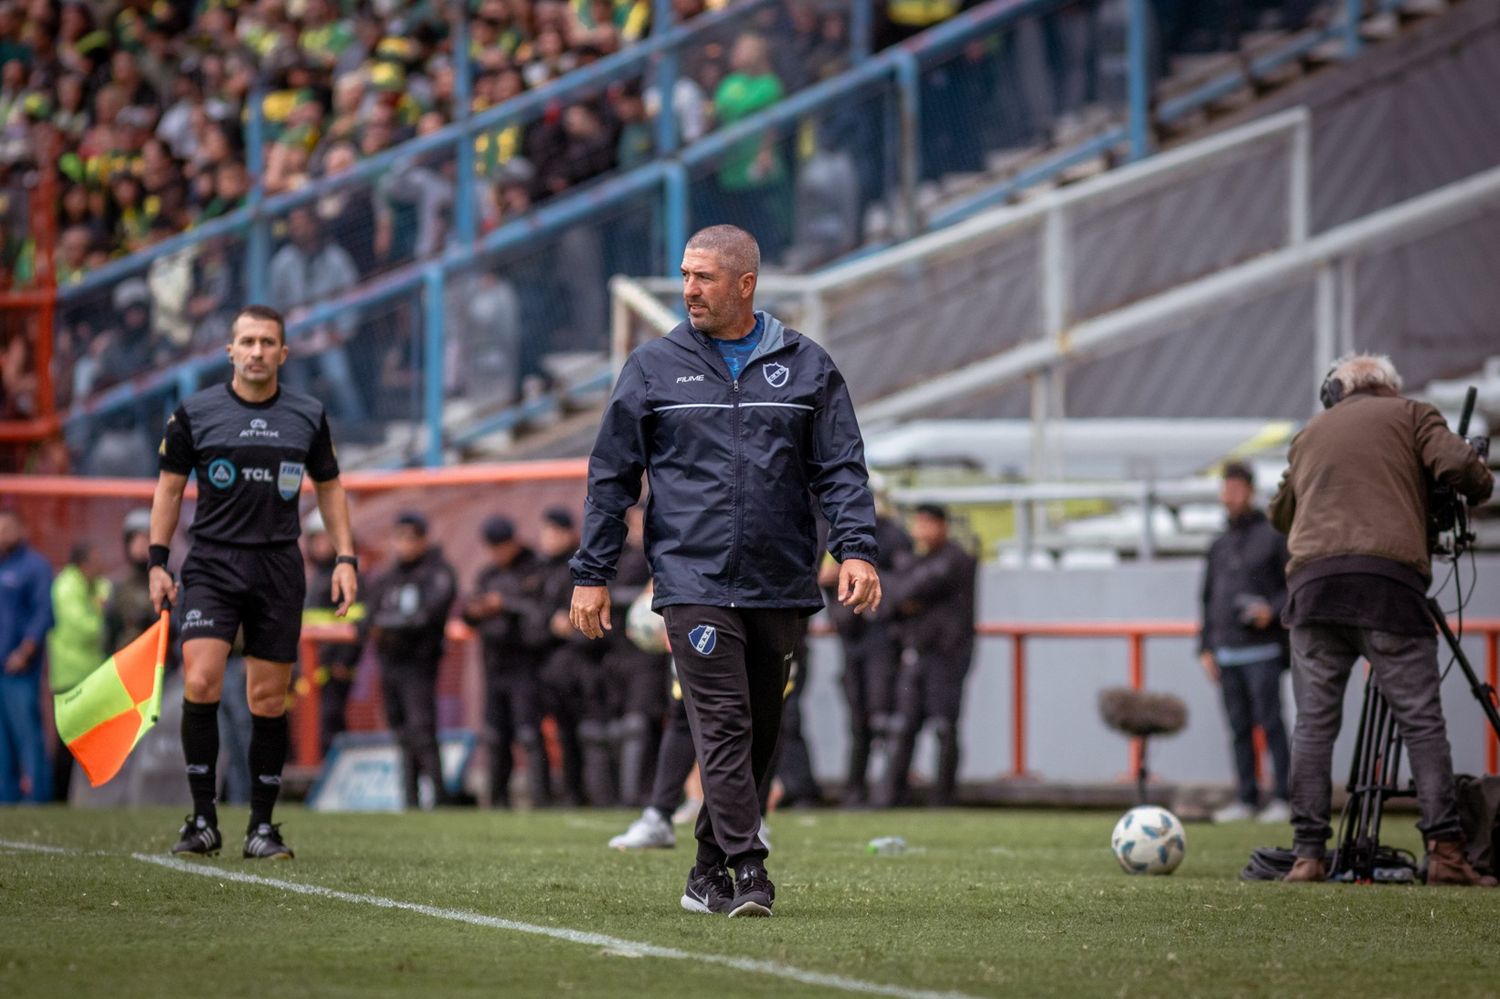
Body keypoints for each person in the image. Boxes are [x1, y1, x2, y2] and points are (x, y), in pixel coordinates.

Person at [570, 224, 881, 917]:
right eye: (684, 275)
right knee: (723, 720)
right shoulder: (652, 366)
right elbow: (610, 476)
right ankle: (748, 867)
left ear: (745, 284)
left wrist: (857, 547)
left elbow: (841, 469)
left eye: (703, 277)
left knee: (763, 729)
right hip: (691, 580)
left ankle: (705, 869)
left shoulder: (808, 366)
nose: (688, 290)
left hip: (781, 580)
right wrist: (591, 571)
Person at [1269, 354, 1494, 886]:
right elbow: (1463, 472)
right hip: (1387, 585)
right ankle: (1445, 853)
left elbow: (1281, 514)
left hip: (1313, 589)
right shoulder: (1414, 414)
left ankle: (1307, 855)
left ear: (1337, 392)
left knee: (1313, 727)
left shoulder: (1310, 433)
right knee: (1421, 722)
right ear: (1389, 388)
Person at [150, 304, 359, 859]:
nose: (258, 351)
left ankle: (262, 828)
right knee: (200, 681)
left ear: (283, 353)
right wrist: (156, 561)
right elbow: (169, 490)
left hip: (277, 567)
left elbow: (331, 487)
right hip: (213, 564)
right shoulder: (195, 413)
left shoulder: (308, 415)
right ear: (231, 351)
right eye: (248, 341)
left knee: (267, 697)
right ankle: (202, 820)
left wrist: (345, 558)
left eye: (268, 342)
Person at [1199, 460, 1292, 824]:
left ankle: (1283, 797)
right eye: (1226, 488)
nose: (1230, 496)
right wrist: (1205, 647)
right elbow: (1207, 598)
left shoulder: (1272, 536)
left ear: (1250, 491)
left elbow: (1293, 583)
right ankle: (1246, 798)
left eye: (1236, 488)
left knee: (1271, 724)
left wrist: (1272, 610)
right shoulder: (1219, 544)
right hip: (1226, 651)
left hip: (1264, 650)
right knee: (1238, 729)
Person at [878, 503, 976, 808]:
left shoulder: (956, 558)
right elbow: (894, 594)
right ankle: (891, 797)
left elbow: (910, 590)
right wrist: (902, 596)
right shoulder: (914, 559)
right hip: (915, 652)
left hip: (946, 655)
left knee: (944, 726)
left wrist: (905, 596)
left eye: (928, 523)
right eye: (918, 522)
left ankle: (943, 797)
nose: (921, 530)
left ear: (943, 525)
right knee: (904, 725)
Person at [819, 491, 911, 806]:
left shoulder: (892, 537)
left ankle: (887, 789)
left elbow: (901, 583)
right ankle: (856, 788)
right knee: (858, 718)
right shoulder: (835, 532)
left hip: (880, 635)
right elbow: (824, 575)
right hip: (852, 635)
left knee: (881, 714)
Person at [362, 511, 457, 810]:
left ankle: (439, 798)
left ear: (423, 540)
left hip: (418, 661)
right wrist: (384, 625)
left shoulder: (437, 572)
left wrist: (389, 625)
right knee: (402, 732)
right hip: (390, 661)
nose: (403, 545)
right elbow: (365, 620)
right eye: (399, 538)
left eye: (410, 538)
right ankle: (410, 799)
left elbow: (427, 615)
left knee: (422, 730)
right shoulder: (386, 577)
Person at [461, 515, 550, 808]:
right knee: (495, 736)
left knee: (528, 735)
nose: (497, 552)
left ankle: (541, 799)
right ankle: (498, 801)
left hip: (525, 664)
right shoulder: (488, 574)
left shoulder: (535, 569)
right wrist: (478, 611)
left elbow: (539, 613)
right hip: (494, 663)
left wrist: (505, 605)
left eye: (501, 545)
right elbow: (467, 613)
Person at [538, 506, 614, 806]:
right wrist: (549, 626)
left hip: (588, 668)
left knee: (595, 735)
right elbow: (535, 620)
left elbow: (602, 622)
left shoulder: (586, 566)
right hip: (554, 670)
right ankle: (570, 794)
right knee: (563, 736)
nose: (547, 537)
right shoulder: (541, 569)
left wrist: (572, 627)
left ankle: (605, 796)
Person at [0, 509, 55, 804]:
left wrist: (25, 651)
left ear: (20, 529)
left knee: (28, 734)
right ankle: (5, 797)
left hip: (20, 669)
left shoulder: (35, 567)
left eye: (6, 527)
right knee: (1, 740)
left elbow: (43, 613)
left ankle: (38, 795)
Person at [47, 541, 110, 801]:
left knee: (89, 739)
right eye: (96, 558)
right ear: (83, 562)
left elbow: (108, 593)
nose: (100, 564)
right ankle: (59, 796)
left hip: (90, 674)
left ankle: (83, 795)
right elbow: (86, 628)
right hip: (70, 675)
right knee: (68, 740)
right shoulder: (66, 586)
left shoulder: (90, 585)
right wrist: (100, 611)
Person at [303, 510, 363, 757]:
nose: (320, 545)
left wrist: (343, 660)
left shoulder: (346, 577)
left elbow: (356, 620)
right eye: (315, 539)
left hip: (334, 670)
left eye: (325, 538)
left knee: (331, 723)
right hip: (310, 669)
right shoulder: (316, 578)